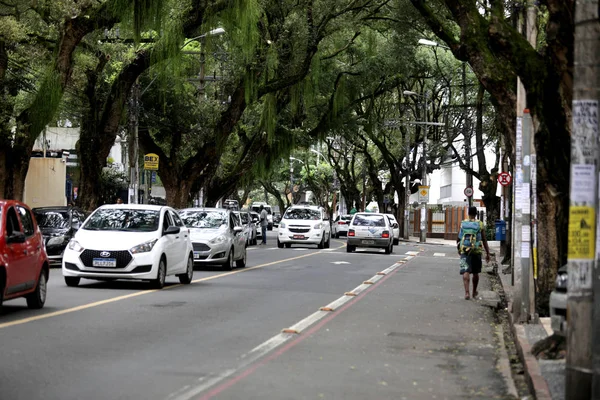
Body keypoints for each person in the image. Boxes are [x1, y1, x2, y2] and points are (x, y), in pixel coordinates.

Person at [457, 206, 490, 300]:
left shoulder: (463, 223)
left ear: (468, 213)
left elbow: (459, 238)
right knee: (475, 272)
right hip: (476, 250)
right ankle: (474, 291)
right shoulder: (480, 224)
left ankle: (466, 293)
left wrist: (459, 249)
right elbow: (484, 239)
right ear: (476, 214)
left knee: (465, 271)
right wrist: (487, 253)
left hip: (465, 250)